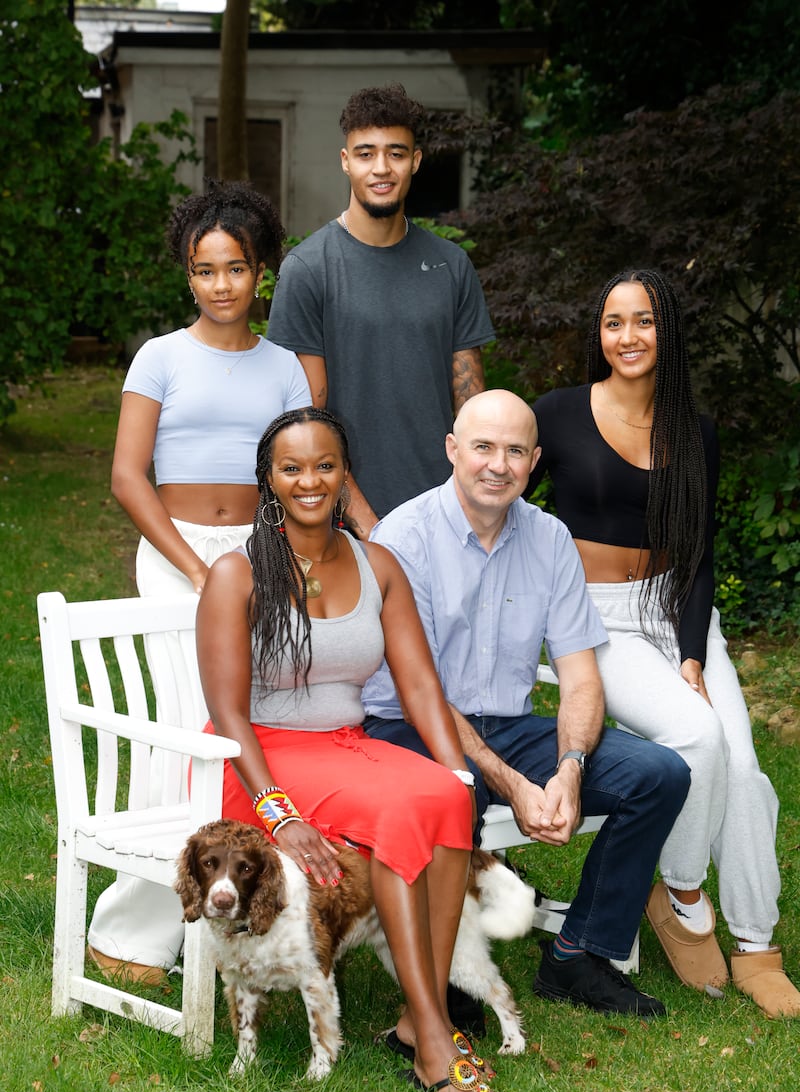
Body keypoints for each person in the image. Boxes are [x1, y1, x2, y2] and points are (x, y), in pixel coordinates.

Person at [195, 406, 500, 1092]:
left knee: (450, 799)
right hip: (261, 762)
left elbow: (421, 682)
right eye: (291, 468)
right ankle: (433, 1038)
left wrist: (455, 768)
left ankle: (419, 1013)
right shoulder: (236, 575)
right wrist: (282, 815)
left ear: (343, 473)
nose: (310, 481)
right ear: (268, 479)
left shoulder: (377, 563)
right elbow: (230, 715)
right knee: (400, 810)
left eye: (324, 465)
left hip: (345, 750)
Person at [361, 389, 691, 1017]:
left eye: (515, 451)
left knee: (658, 775)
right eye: (483, 447)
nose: (498, 464)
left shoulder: (549, 539)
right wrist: (513, 783)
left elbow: (580, 677)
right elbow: (419, 688)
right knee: (457, 791)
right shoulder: (403, 538)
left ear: (534, 459)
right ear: (453, 450)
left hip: (509, 726)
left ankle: (580, 955)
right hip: (409, 726)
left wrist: (570, 766)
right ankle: (448, 985)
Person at [529, 268, 800, 1018]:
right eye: (614, 322)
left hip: (674, 606)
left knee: (743, 767)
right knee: (697, 735)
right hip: (593, 619)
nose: (628, 337)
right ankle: (682, 895)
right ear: (599, 335)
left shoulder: (694, 431)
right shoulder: (556, 414)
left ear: (666, 331)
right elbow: (494, 501)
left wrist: (690, 650)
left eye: (643, 321)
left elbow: (701, 552)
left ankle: (756, 943)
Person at [87, 181, 312, 984]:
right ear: (188, 274)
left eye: (236, 268)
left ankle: (232, 914)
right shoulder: (160, 357)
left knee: (243, 726)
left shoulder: (286, 367)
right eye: (204, 269)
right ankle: (136, 931)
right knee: (179, 729)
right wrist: (193, 566)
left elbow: (294, 475)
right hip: (178, 556)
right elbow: (126, 475)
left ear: (261, 274)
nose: (221, 284)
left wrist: (270, 562)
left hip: (256, 554)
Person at [267, 82, 495, 536]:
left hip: (444, 515)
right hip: (344, 525)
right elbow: (305, 422)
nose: (381, 168)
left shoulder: (451, 265)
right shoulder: (308, 269)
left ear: (415, 161)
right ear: (346, 161)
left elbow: (472, 406)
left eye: (395, 152)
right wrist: (370, 526)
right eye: (366, 153)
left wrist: (473, 501)